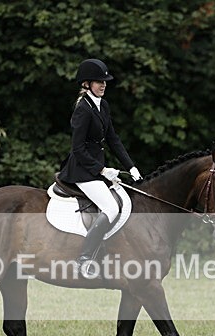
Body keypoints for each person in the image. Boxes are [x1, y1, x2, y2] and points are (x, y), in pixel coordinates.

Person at [57, 58, 142, 276]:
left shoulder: (103, 105)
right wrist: (102, 171)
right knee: (112, 208)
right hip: (81, 170)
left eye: (105, 81)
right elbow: (77, 149)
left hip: (94, 169)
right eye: (98, 81)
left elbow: (113, 139)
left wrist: (131, 167)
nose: (103, 85)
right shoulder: (82, 109)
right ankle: (84, 258)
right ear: (86, 84)